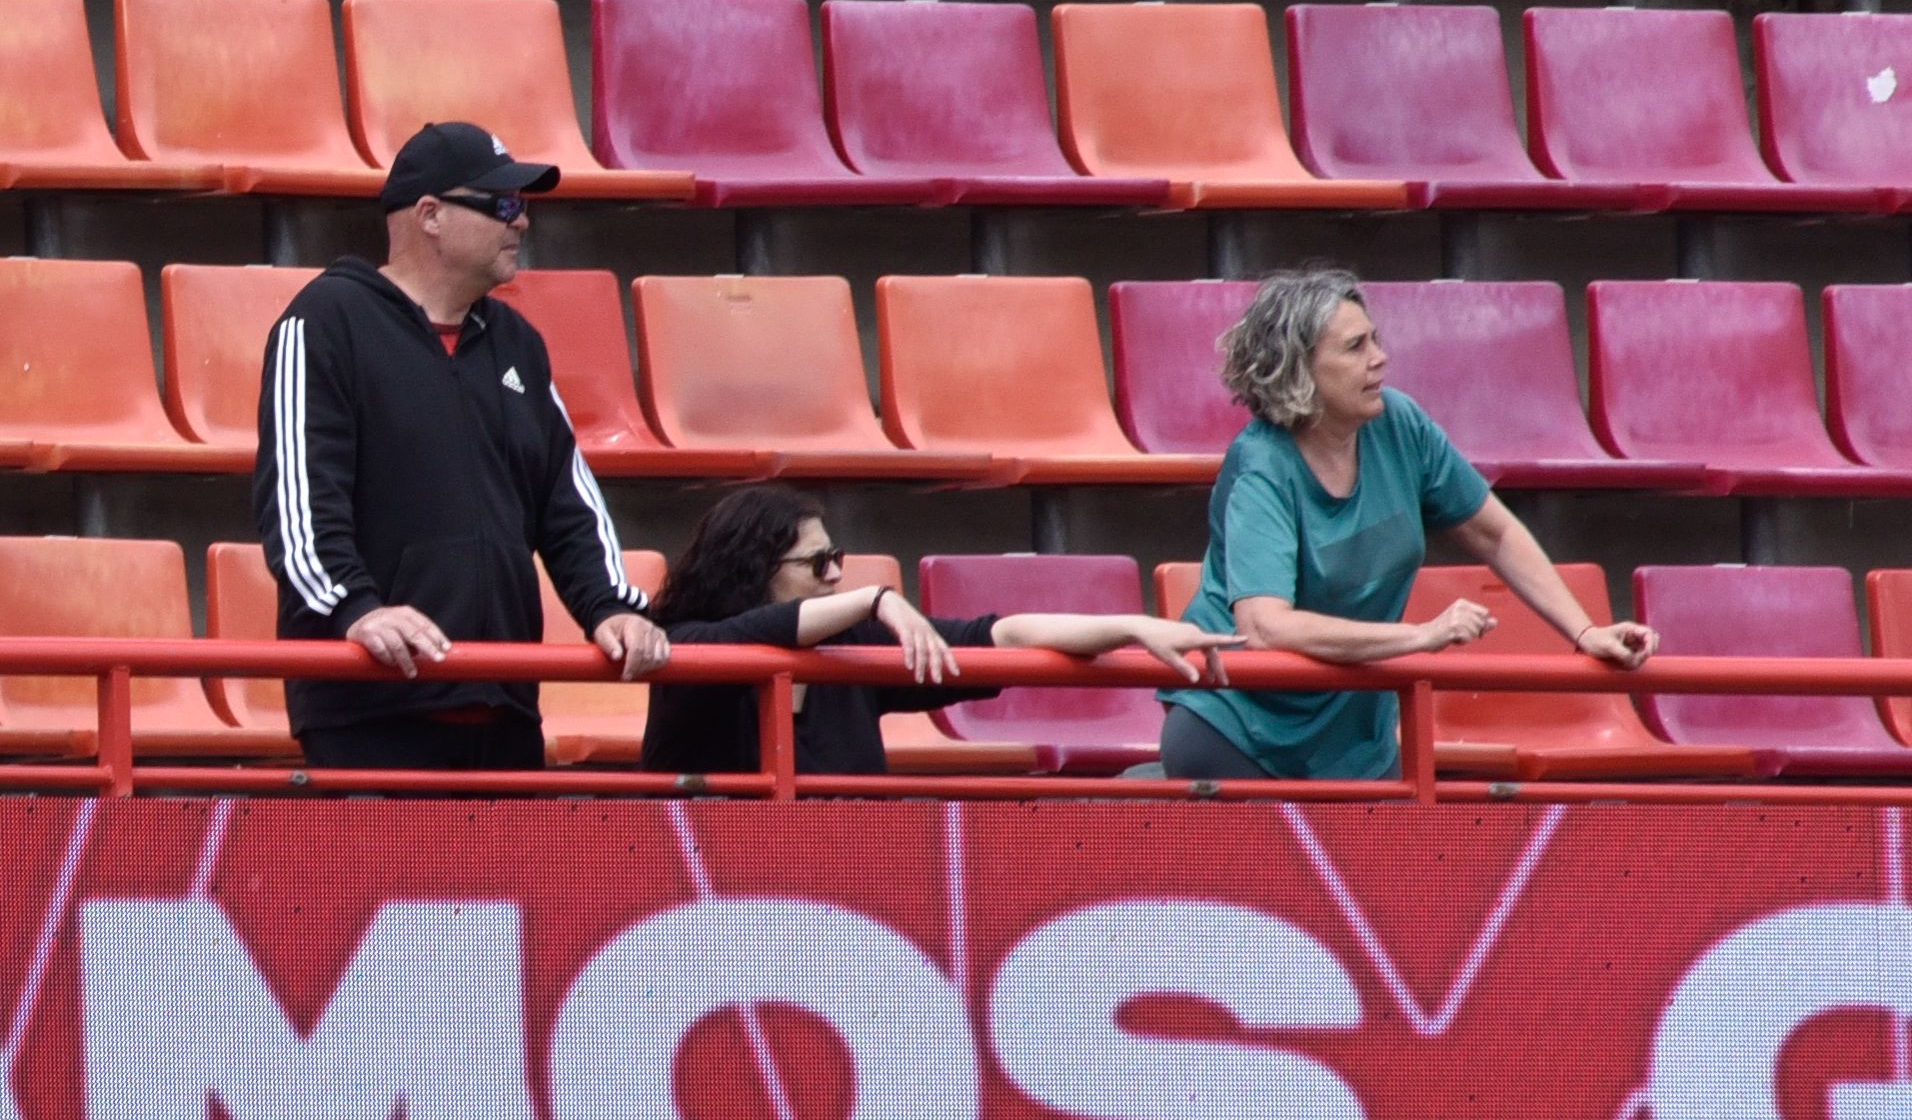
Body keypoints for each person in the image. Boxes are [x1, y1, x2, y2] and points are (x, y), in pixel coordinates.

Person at [253, 121, 669, 770]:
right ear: (430, 215)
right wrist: (355, 608)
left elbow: (565, 500)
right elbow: (299, 502)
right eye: (503, 204)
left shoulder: (518, 343)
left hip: (503, 706)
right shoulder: (326, 322)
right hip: (372, 711)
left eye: (523, 206)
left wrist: (610, 606)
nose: (521, 223)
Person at [1158, 268, 1659, 781]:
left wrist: (1585, 631)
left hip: (1354, 741)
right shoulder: (1262, 465)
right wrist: (1420, 636)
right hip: (1238, 732)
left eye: (1375, 339)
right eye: (1355, 347)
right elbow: (1265, 627)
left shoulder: (1401, 423)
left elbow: (1496, 533)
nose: (1379, 357)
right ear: (1299, 369)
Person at [637, 485, 1241, 775]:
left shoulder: (851, 649)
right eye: (818, 564)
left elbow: (1002, 636)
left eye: (839, 557)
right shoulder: (690, 645)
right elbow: (750, 636)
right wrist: (875, 599)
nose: (836, 575)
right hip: (700, 890)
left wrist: (1132, 626)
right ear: (752, 569)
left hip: (839, 890)